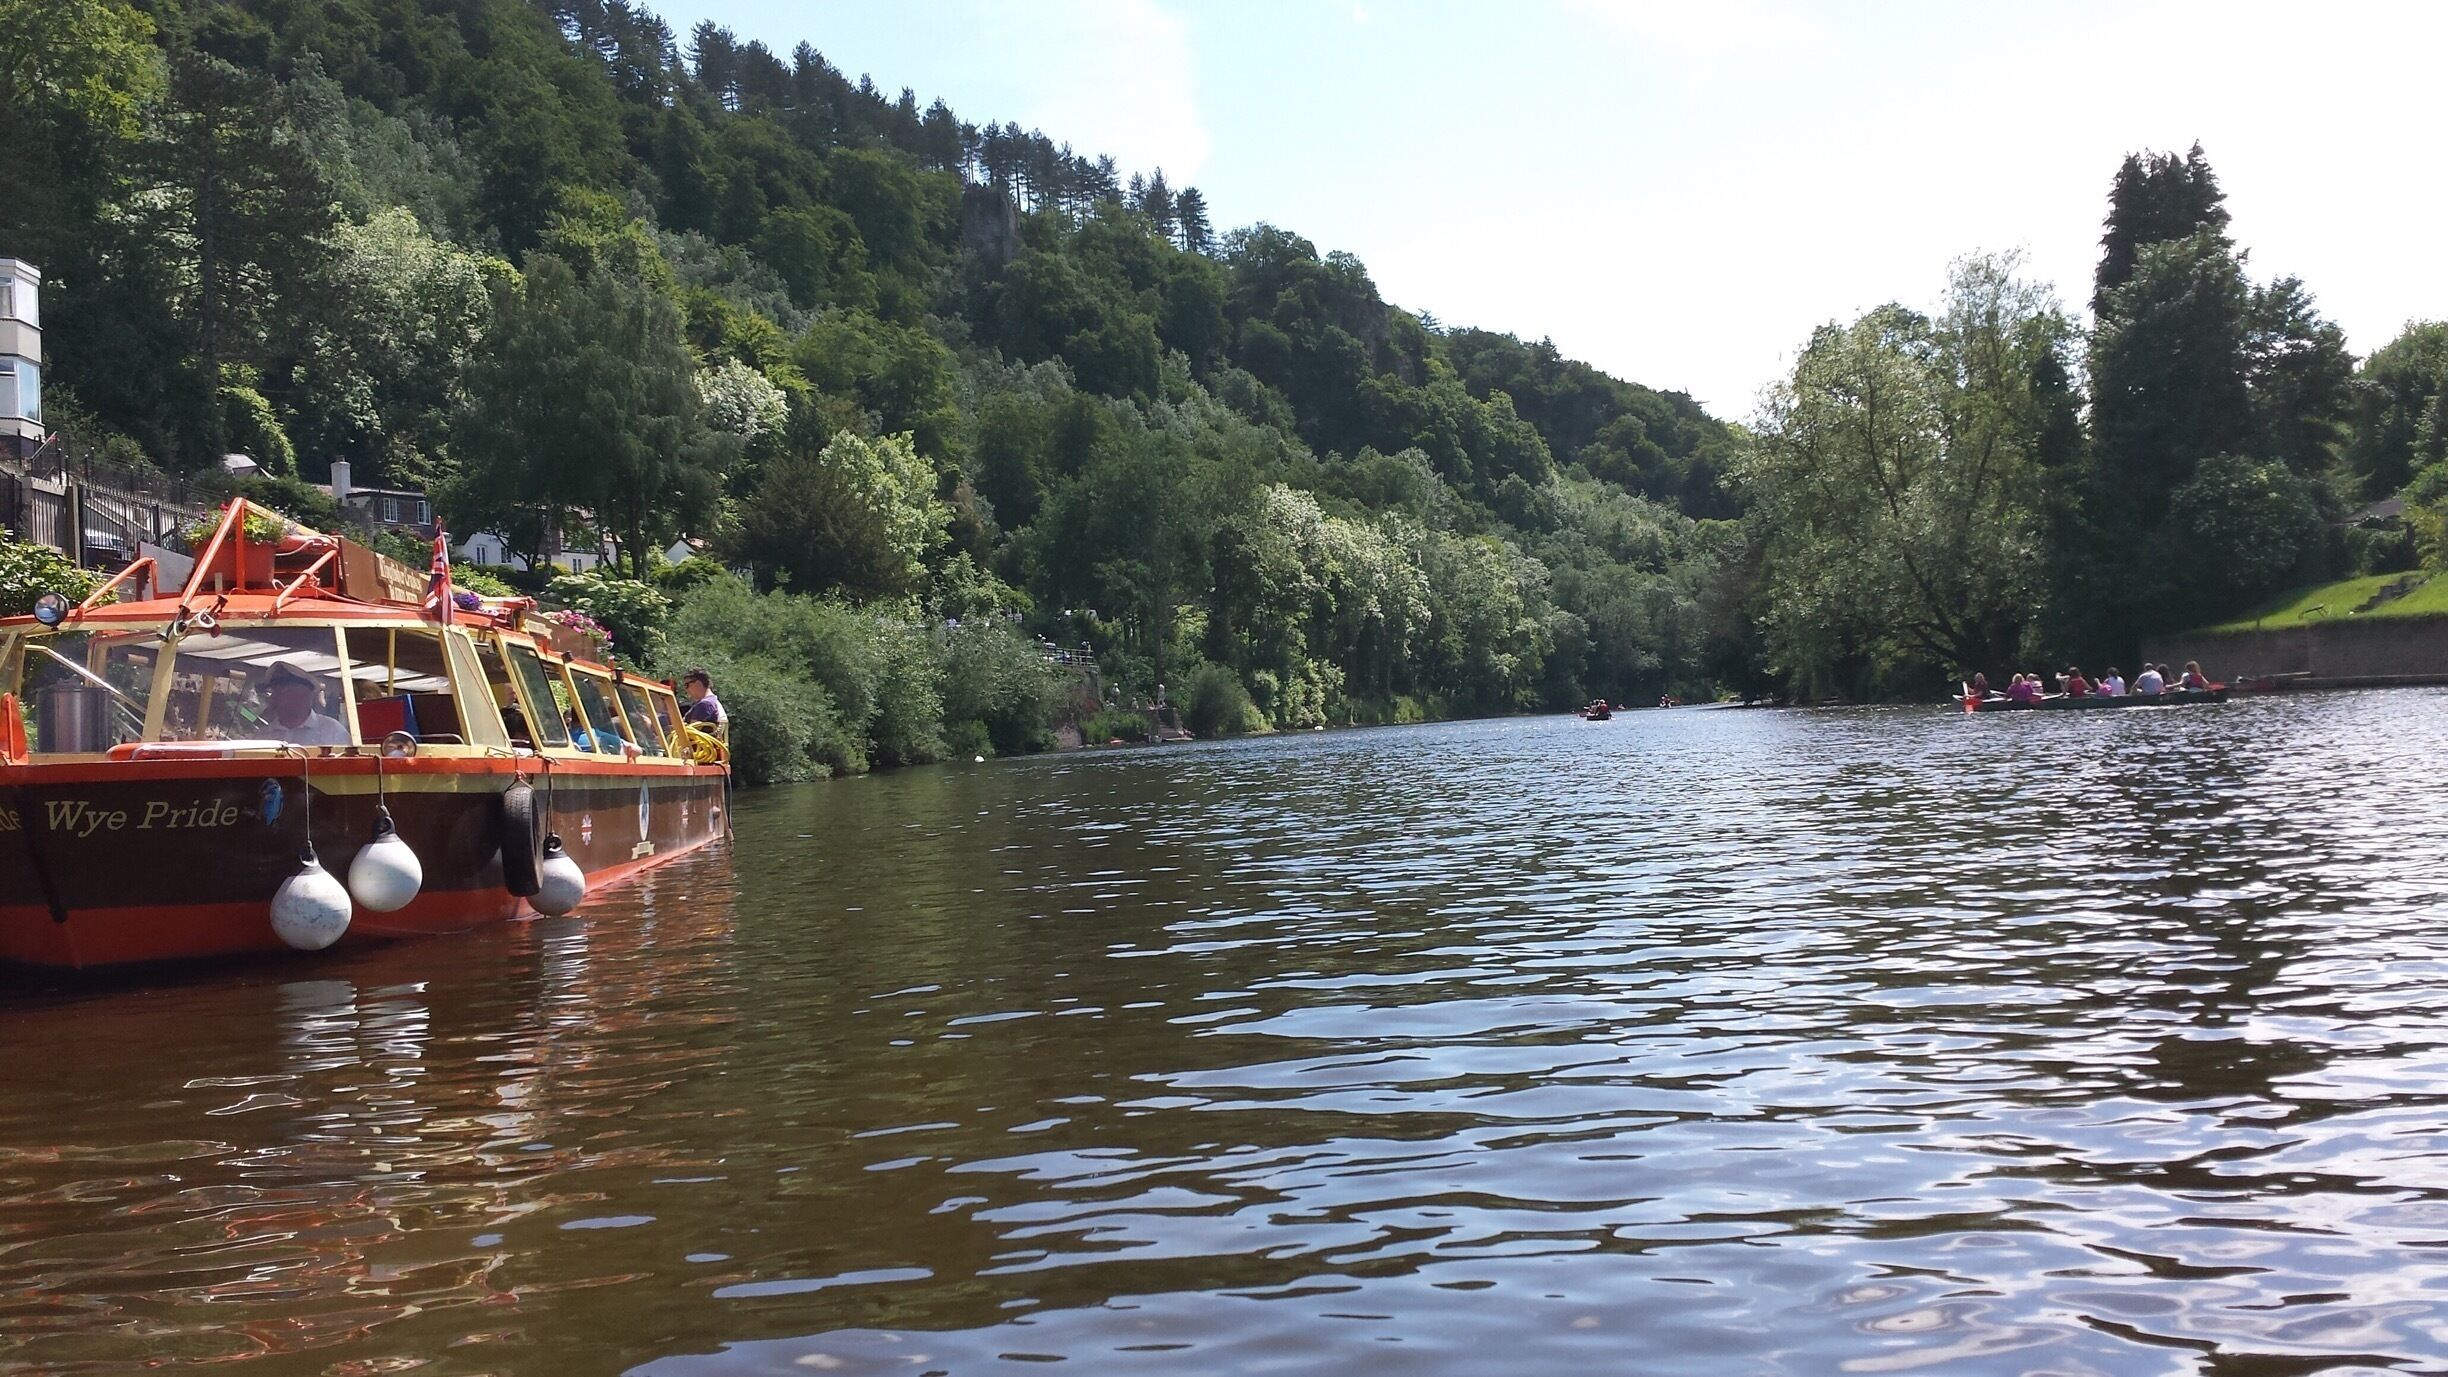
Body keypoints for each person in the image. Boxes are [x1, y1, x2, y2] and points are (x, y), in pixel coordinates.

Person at [262, 662, 349, 746]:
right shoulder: (264, 736)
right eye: (277, 691)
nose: (281, 698)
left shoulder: (332, 730)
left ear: (308, 695)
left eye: (290, 691)